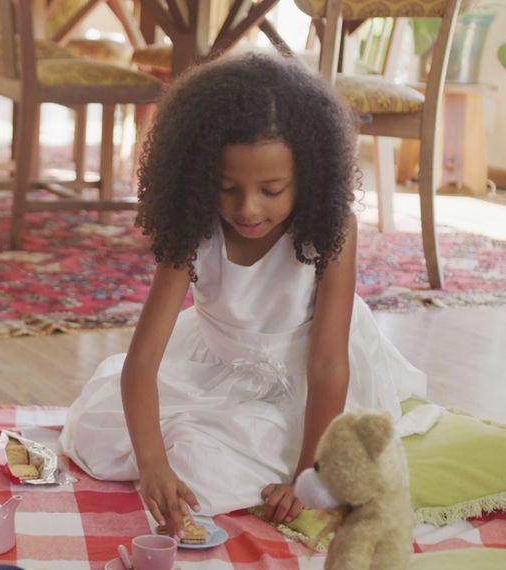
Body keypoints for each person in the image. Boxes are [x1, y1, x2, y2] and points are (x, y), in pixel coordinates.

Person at [58, 53, 428, 540]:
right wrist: (152, 467)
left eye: (272, 189)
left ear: (310, 178)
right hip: (220, 361)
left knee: (200, 472)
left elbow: (327, 366)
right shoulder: (193, 227)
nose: (248, 208)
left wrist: (307, 474)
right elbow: (143, 359)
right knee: (99, 434)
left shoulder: (332, 228)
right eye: (226, 188)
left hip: (314, 385)